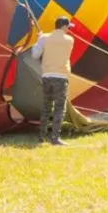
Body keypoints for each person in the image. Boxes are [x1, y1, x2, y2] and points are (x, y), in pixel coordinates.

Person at [31, 16, 75, 145]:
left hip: (47, 76)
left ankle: (41, 136)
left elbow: (35, 55)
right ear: (63, 26)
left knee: (46, 106)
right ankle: (55, 138)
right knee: (59, 108)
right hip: (61, 77)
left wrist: (39, 39)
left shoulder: (44, 38)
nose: (68, 29)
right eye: (68, 27)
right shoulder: (69, 40)